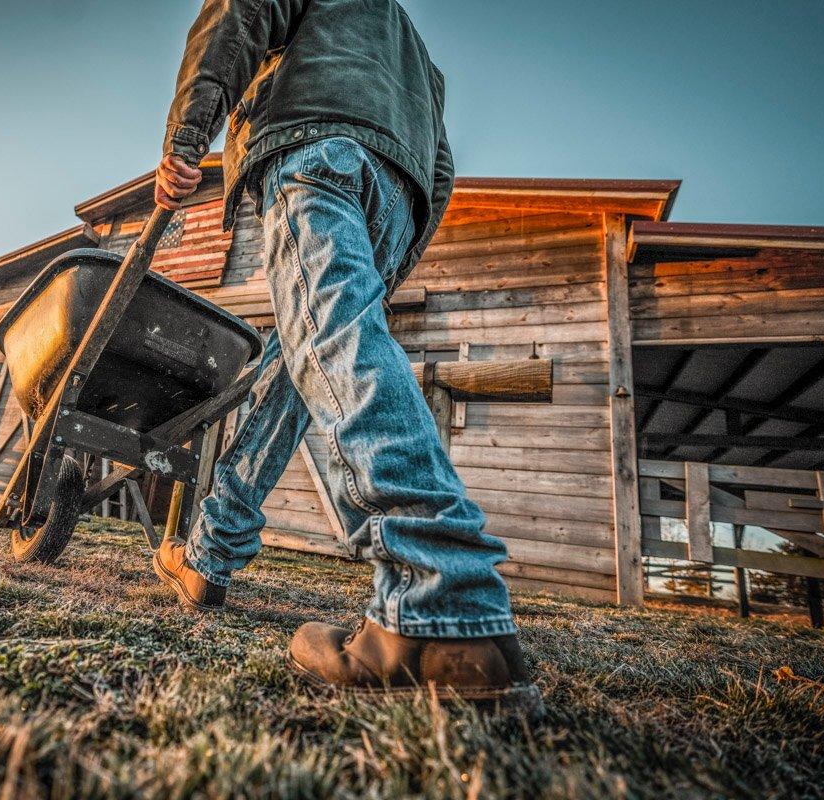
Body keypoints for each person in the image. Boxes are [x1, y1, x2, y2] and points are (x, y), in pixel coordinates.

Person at [150, 0, 539, 714]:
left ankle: (438, 604)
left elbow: (236, 16)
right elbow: (442, 167)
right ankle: (209, 555)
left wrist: (186, 140)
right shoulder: (418, 58)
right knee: (300, 373)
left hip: (315, 151)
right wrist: (396, 256)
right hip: (397, 195)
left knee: (330, 348)